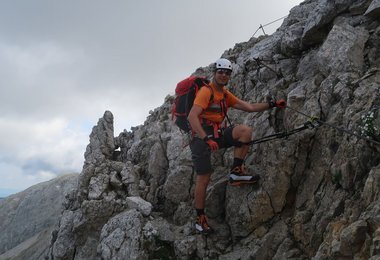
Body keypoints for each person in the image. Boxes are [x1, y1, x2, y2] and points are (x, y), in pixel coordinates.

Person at [187, 58, 286, 234]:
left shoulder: (225, 95)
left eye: (227, 73)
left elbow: (249, 107)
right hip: (200, 137)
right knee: (204, 178)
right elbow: (192, 117)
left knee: (244, 131)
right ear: (214, 73)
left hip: (216, 134)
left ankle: (236, 172)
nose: (223, 75)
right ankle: (199, 219)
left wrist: (272, 104)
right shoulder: (205, 91)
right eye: (220, 72)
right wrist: (205, 139)